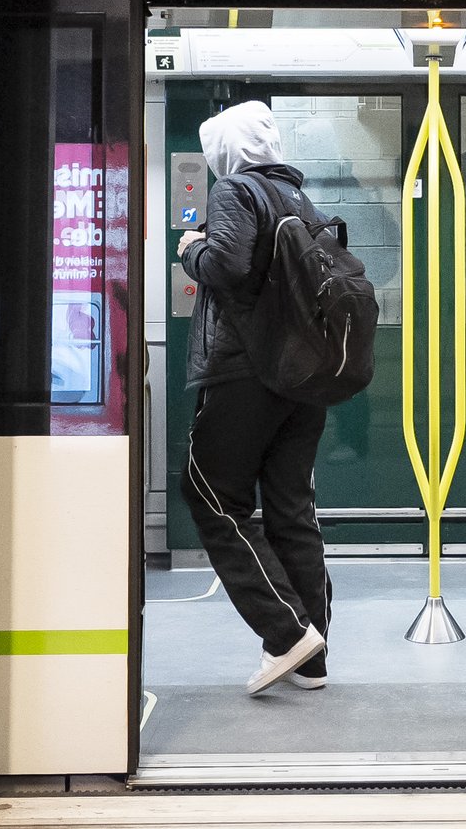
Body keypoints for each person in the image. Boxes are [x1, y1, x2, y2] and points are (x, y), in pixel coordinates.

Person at [175, 100, 330, 695]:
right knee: (291, 508)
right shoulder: (299, 197)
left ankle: (287, 633)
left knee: (211, 494)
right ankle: (312, 654)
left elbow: (227, 263)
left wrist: (191, 248)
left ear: (226, 151)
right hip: (304, 377)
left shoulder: (236, 192)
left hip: (243, 373)